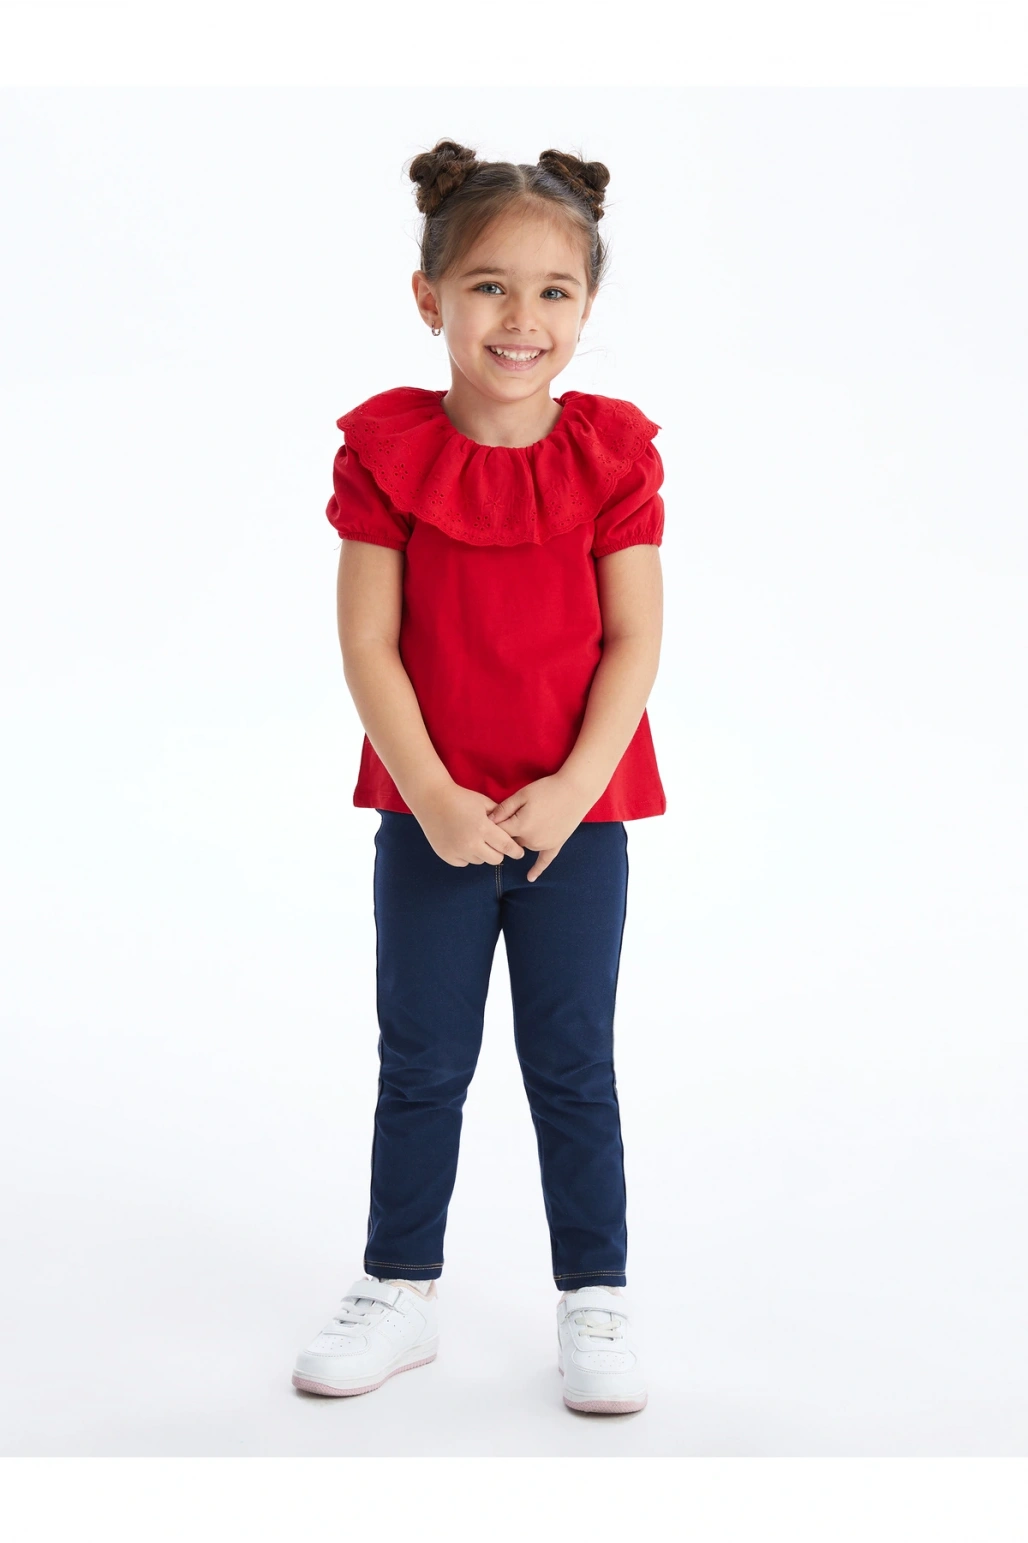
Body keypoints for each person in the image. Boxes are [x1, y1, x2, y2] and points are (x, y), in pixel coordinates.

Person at [292, 139, 666, 1416]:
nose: (520, 317)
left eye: (553, 290)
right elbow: (366, 642)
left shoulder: (610, 453)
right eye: (488, 286)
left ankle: (594, 1297)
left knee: (572, 1064)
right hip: (429, 818)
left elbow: (633, 640)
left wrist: (570, 789)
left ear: (587, 306)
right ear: (429, 297)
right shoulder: (387, 450)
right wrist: (434, 798)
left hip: (578, 821)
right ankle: (398, 1287)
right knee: (421, 1060)